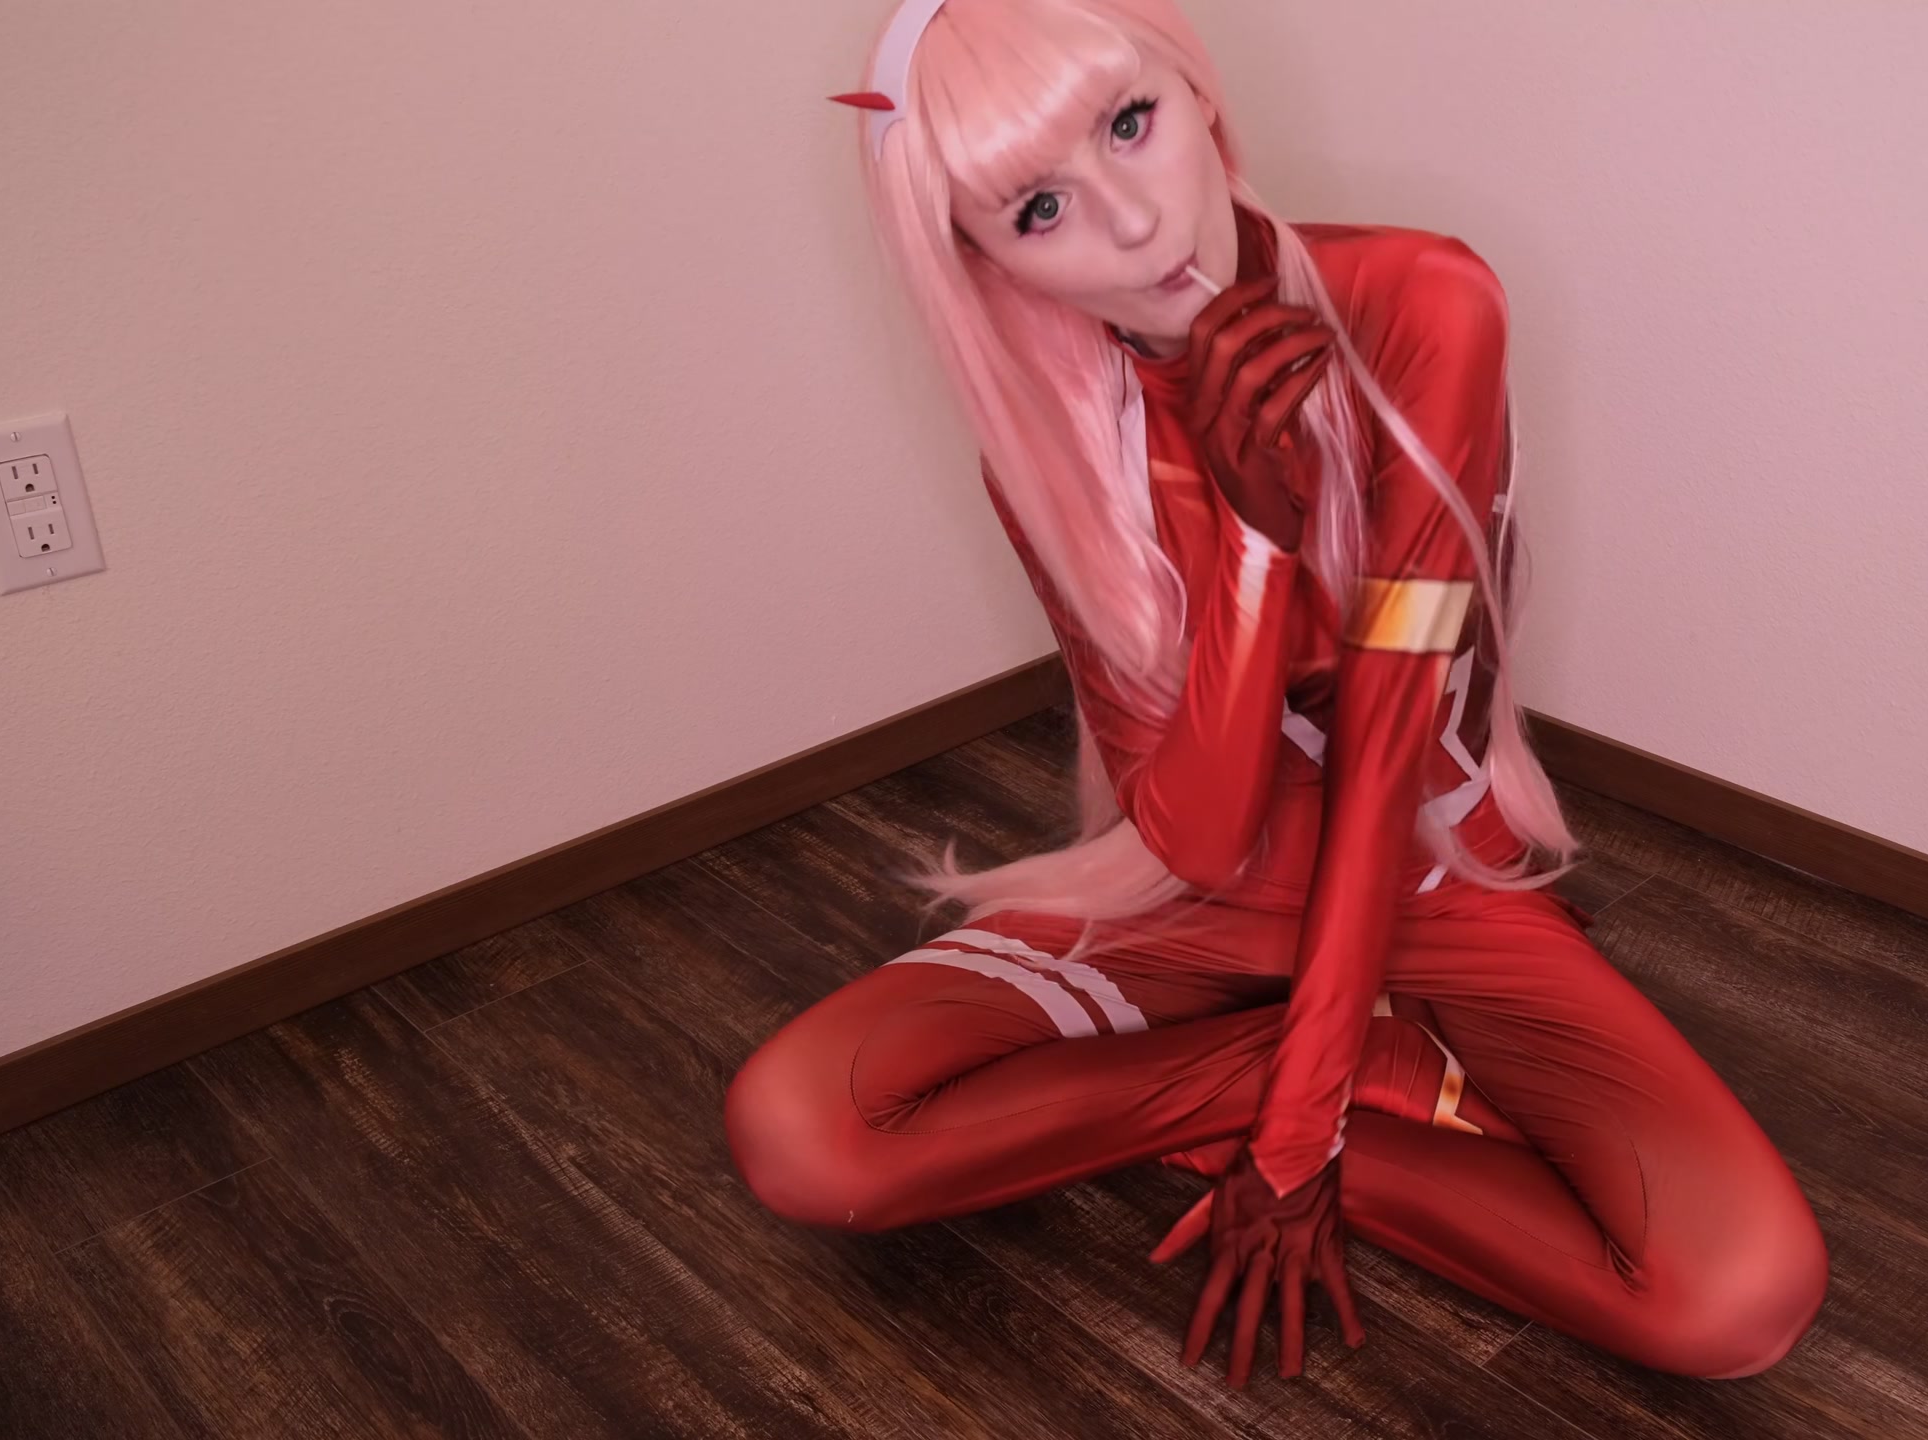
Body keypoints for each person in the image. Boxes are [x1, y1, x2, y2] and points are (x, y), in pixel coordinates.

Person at [726, 0, 1828, 1388]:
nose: (1134, 221)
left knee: (1737, 1295)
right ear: (985, 260)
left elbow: (1390, 743)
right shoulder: (1048, 454)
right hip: (1201, 901)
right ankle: (1362, 1063)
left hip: (1421, 876)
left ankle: (1296, 1072)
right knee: (805, 1133)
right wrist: (1252, 543)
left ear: (1197, 92)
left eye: (1131, 123)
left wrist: (1299, 1150)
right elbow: (1191, 837)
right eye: (1040, 209)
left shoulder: (1425, 304)